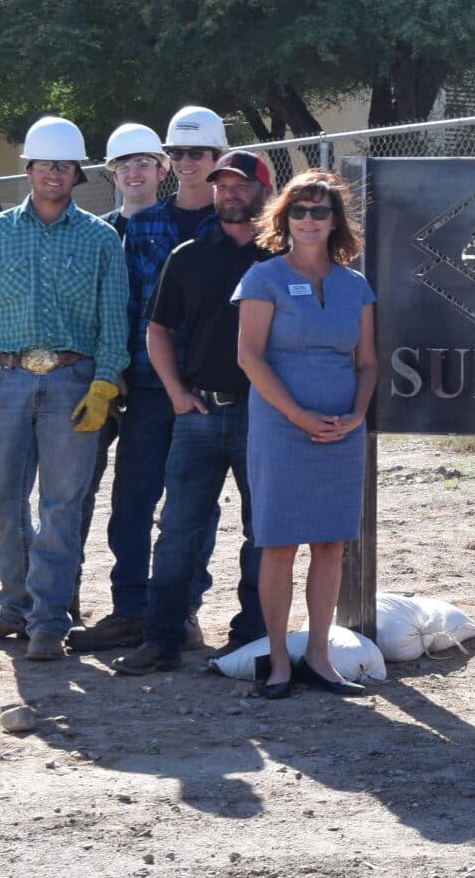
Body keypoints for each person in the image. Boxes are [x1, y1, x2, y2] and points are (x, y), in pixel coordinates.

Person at [0, 117, 129, 662]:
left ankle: (49, 620)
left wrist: (103, 382)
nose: (55, 174)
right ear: (28, 170)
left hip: (73, 379)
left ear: (78, 174)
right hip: (6, 380)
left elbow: (113, 320)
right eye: (46, 165)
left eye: (65, 166)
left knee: (63, 504)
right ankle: (14, 607)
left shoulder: (100, 239)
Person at [111, 150, 275, 674]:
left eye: (242, 186)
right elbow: (157, 328)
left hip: (266, 417)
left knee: (265, 531)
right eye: (222, 185)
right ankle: (162, 639)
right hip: (200, 415)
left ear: (265, 191)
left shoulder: (287, 256)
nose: (230, 194)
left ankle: (252, 638)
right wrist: (178, 392)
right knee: (179, 528)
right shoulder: (188, 255)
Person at [69, 114, 220, 651]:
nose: (186, 162)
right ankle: (130, 608)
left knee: (196, 505)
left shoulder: (233, 226)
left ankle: (182, 611)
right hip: (151, 384)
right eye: (179, 153)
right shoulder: (138, 228)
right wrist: (119, 376)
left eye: (197, 153)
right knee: (132, 499)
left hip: (213, 387)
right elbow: (125, 308)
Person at [234, 169, 377, 699]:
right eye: (300, 210)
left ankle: (319, 658)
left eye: (321, 211)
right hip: (281, 428)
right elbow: (249, 356)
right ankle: (277, 661)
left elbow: (367, 363)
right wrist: (296, 415)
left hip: (340, 432)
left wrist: (358, 413)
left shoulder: (355, 285)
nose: (310, 220)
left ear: (336, 220)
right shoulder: (263, 278)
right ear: (284, 218)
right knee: (278, 547)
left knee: (332, 545)